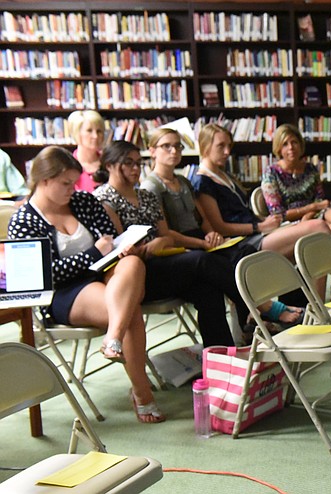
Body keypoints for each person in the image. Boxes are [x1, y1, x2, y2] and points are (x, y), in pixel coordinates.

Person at [7, 146, 165, 423]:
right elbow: (40, 277)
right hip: (62, 292)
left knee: (133, 264)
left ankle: (112, 338)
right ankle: (142, 393)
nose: (73, 188)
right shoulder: (24, 221)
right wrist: (93, 254)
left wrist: (119, 249)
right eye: (65, 183)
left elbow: (110, 240)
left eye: (73, 182)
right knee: (129, 313)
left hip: (106, 275)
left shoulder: (84, 202)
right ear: (44, 181)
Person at [93, 140, 248, 347]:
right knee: (201, 260)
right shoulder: (102, 199)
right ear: (110, 165)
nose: (136, 168)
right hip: (135, 275)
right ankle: (258, 306)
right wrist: (147, 248)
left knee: (208, 288)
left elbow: (166, 235)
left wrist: (159, 242)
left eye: (139, 163)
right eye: (128, 163)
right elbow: (119, 250)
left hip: (163, 260)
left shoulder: (145, 195)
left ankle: (221, 358)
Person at [140, 127, 301, 327]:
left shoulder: (182, 180)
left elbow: (202, 217)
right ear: (152, 150)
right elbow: (165, 233)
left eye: (178, 146)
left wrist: (211, 233)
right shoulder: (151, 187)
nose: (174, 151)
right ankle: (262, 309)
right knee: (221, 265)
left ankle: (250, 323)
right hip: (179, 248)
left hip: (199, 240)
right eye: (167, 146)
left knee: (246, 252)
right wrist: (201, 241)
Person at [191, 123, 331, 296]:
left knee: (316, 241)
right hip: (242, 244)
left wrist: (263, 224)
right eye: (221, 146)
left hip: (256, 233)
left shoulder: (224, 175)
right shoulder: (202, 181)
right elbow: (219, 227)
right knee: (318, 228)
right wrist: (260, 227)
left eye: (229, 146)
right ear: (205, 146)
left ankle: (318, 304)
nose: (227, 152)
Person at [260, 123, 331, 299]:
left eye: (294, 142)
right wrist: (310, 209)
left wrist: (310, 213)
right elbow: (278, 213)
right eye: (286, 144)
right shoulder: (271, 173)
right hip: (289, 222)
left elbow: (320, 199)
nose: (291, 148)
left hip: (314, 216)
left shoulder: (310, 168)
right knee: (321, 234)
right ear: (279, 148)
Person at [66, 110, 106, 192]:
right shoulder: (67, 166)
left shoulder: (109, 162)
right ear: (77, 133)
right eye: (89, 131)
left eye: (99, 131)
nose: (95, 136)